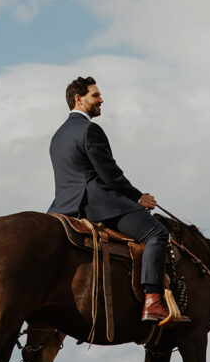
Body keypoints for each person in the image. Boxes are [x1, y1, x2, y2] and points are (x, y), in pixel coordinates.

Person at [49, 77, 170, 322]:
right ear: (78, 99)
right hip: (97, 206)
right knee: (156, 233)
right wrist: (138, 197)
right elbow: (110, 175)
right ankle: (153, 301)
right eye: (95, 95)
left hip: (63, 209)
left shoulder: (57, 135)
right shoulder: (89, 130)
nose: (101, 100)